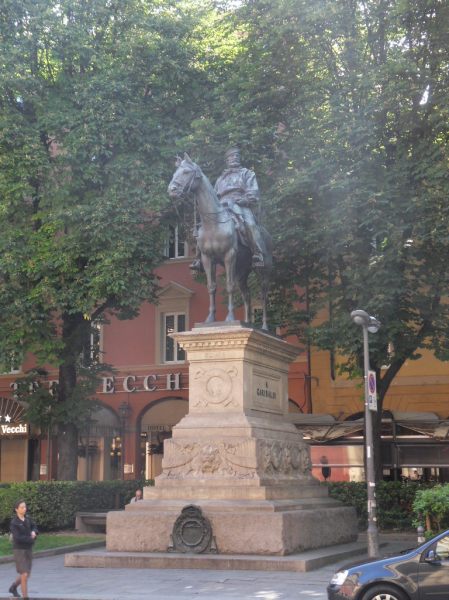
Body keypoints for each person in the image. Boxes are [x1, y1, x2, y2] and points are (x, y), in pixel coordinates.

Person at [190, 147, 265, 270]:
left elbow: (253, 191)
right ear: (227, 160)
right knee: (202, 226)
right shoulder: (221, 178)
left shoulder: (247, 173)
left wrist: (245, 200)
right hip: (222, 207)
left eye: (236, 156)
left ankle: (258, 253)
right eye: (231, 156)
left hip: (239, 204)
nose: (234, 158)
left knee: (250, 224)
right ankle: (199, 259)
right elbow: (213, 195)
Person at [9, 499, 38, 599]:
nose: (24, 509)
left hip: (28, 549)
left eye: (25, 507)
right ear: (16, 509)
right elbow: (17, 538)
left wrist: (34, 532)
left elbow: (34, 527)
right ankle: (25, 597)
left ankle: (13, 587)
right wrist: (31, 539)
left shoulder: (28, 519)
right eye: (22, 507)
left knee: (26, 574)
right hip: (19, 550)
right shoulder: (14, 523)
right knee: (24, 574)